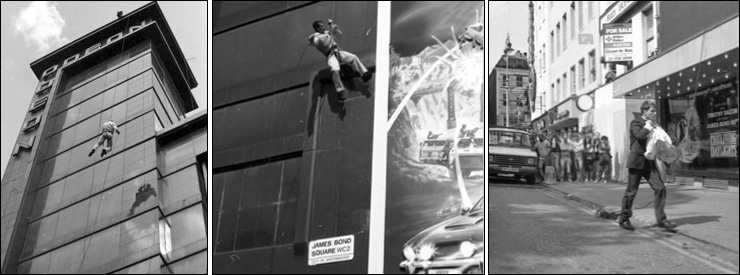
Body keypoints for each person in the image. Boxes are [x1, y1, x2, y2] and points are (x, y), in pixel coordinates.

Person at [618, 101, 677, 231]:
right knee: (631, 191)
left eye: (655, 111)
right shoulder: (636, 123)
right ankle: (624, 219)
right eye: (652, 111)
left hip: (649, 163)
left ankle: (661, 220)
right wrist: (648, 126)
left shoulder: (654, 125)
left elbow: (659, 139)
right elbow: (639, 136)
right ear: (644, 112)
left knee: (660, 188)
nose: (654, 114)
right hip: (637, 162)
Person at [308, 19, 373, 102]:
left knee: (353, 57)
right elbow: (313, 43)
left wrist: (334, 28)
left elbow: (339, 34)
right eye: (321, 26)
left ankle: (364, 73)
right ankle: (339, 90)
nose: (323, 27)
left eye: (323, 25)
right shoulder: (317, 37)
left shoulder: (327, 32)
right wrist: (311, 39)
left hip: (338, 52)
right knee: (335, 69)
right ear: (317, 28)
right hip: (331, 56)